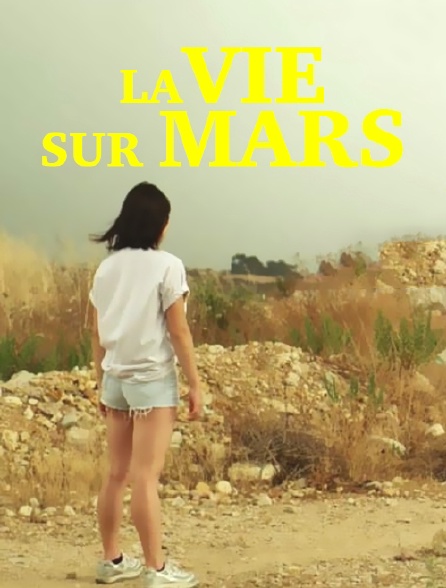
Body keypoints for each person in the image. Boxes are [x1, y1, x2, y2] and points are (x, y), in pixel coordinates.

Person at [88, 182, 202, 587]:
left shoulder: (106, 269)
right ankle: (156, 568)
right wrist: (194, 383)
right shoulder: (168, 266)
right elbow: (179, 331)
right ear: (160, 224)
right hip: (152, 381)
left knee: (116, 474)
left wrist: (101, 381)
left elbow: (97, 333)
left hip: (115, 379)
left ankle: (112, 561)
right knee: (145, 477)